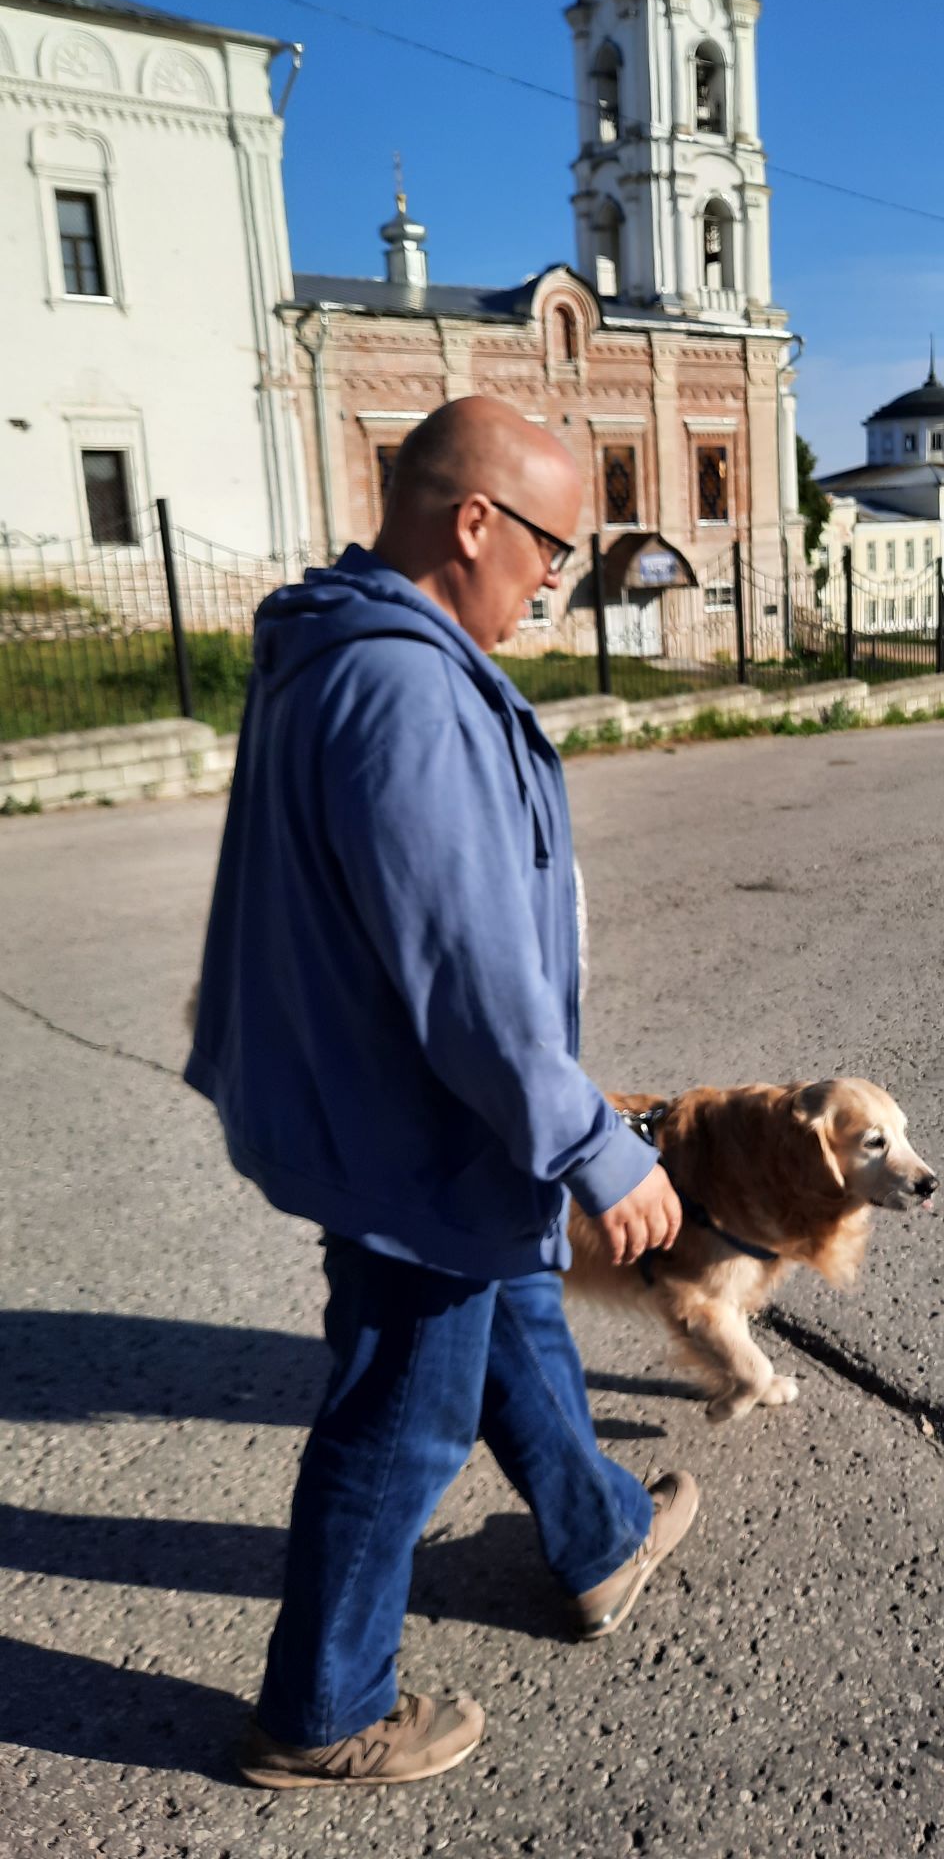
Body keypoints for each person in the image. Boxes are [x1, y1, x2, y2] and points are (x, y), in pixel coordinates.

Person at [186, 397, 697, 1790]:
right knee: (402, 1416)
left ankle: (599, 1540)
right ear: (476, 522)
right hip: (416, 1127)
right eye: (551, 551)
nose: (555, 582)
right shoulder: (406, 689)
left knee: (514, 1302)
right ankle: (324, 1709)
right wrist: (596, 1145)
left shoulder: (334, 647)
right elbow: (464, 970)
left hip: (400, 1110)